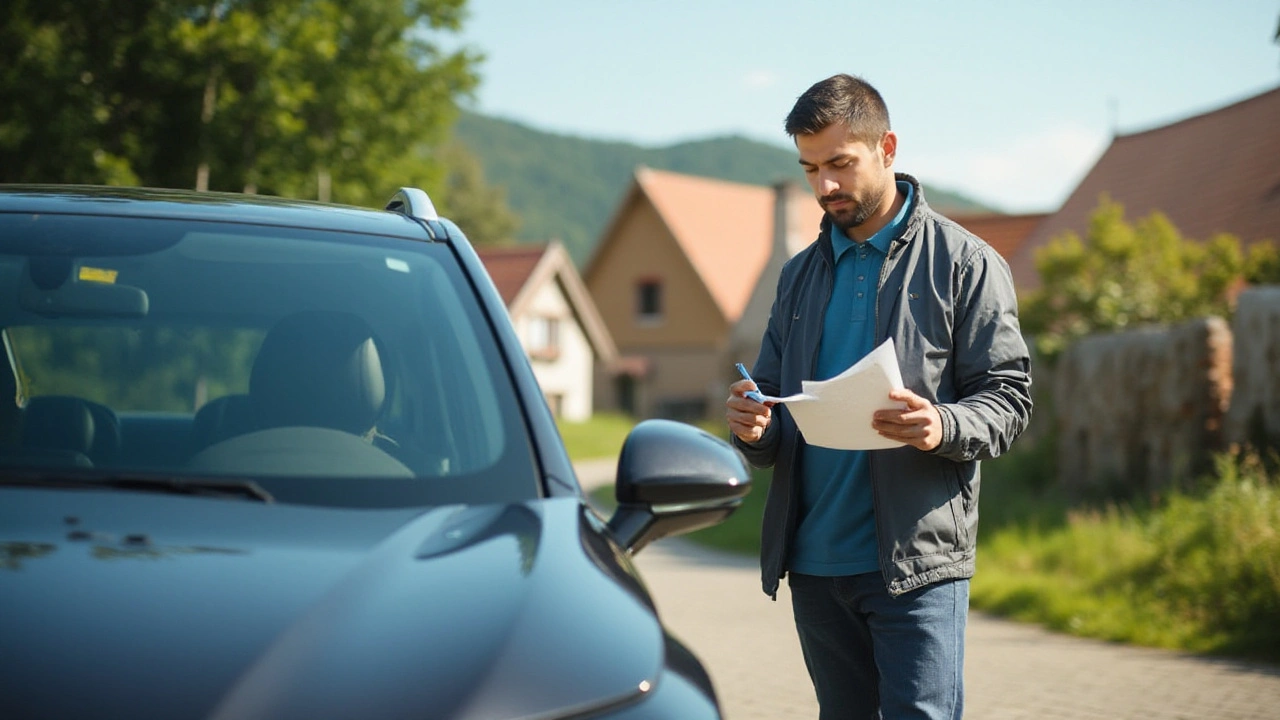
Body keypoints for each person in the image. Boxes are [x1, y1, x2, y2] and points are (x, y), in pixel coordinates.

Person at [724, 73, 1033, 720]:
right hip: (813, 564)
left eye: (840, 164)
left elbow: (1008, 400)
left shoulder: (965, 263)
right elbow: (776, 406)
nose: (825, 186)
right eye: (810, 169)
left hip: (915, 567)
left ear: (887, 147)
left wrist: (941, 425)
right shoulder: (798, 276)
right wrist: (754, 428)